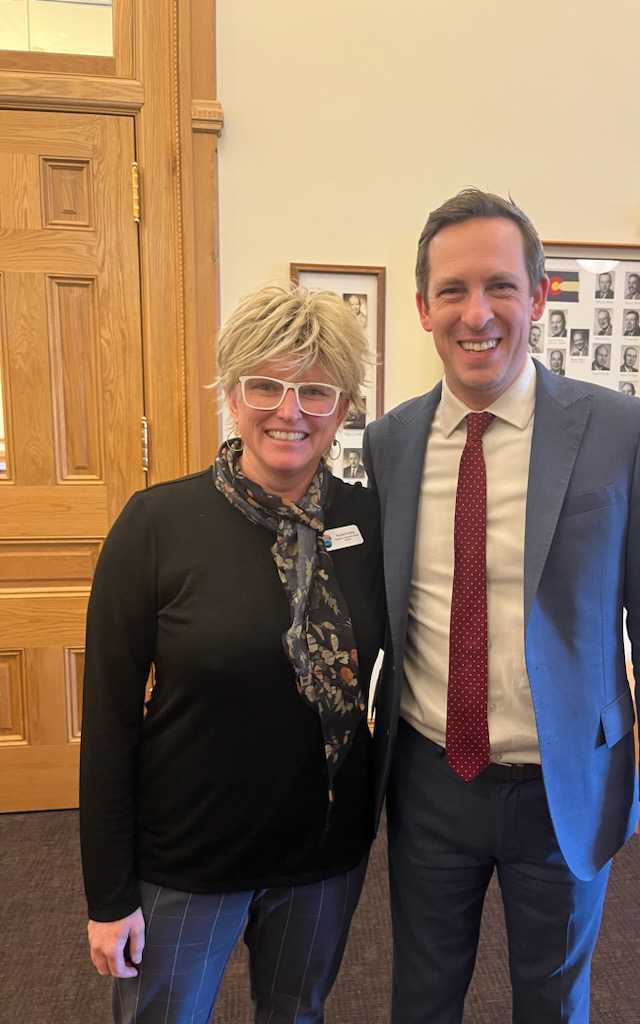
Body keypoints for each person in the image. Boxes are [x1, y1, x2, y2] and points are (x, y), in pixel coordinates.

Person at [363, 189, 640, 1024]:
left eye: (500, 286)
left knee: (551, 1000)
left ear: (539, 295)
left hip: (567, 784)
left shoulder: (621, 432)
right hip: (431, 779)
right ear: (422, 308)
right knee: (422, 996)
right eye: (452, 291)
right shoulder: (391, 443)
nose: (476, 313)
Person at [80, 284, 385, 1024]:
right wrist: (109, 895)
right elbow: (110, 721)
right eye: (265, 385)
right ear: (231, 394)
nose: (291, 410)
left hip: (322, 854)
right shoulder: (158, 524)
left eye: (316, 389)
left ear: (343, 406)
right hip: (190, 860)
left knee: (295, 1014)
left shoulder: (372, 524)